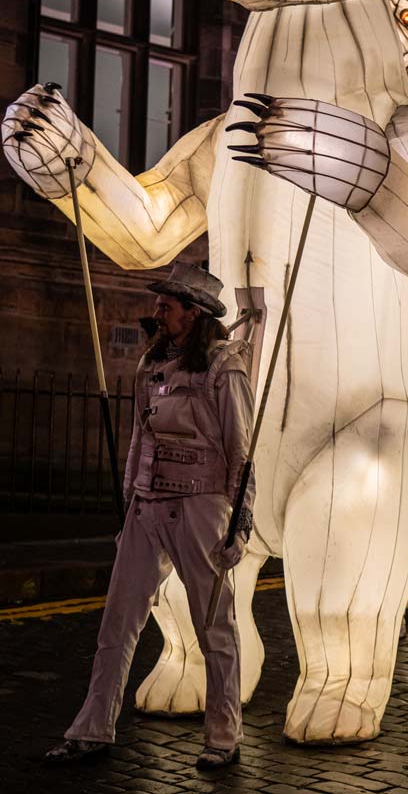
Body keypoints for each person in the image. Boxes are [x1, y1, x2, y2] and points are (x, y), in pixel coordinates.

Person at [46, 263, 255, 771]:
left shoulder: (225, 369)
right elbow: (140, 439)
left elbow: (241, 452)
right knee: (117, 622)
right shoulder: (150, 365)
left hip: (200, 506)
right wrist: (128, 502)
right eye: (159, 303)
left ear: (195, 312)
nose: (158, 310)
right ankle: (92, 729)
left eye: (168, 304)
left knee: (215, 626)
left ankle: (223, 736)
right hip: (146, 506)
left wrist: (239, 523)